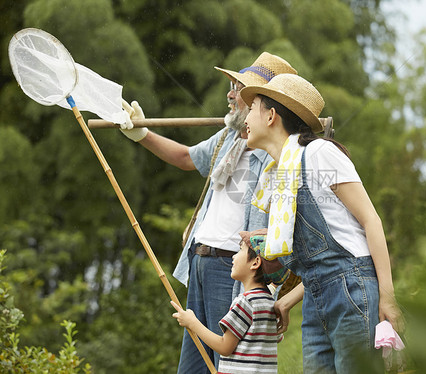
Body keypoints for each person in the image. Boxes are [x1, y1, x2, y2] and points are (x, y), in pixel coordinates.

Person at [119, 53, 297, 373]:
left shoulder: (279, 156)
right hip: (200, 260)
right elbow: (188, 158)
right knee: (194, 365)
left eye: (239, 89)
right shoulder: (229, 138)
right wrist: (141, 134)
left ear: (263, 106)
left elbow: (284, 226)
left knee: (228, 362)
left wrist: (269, 287)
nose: (230, 95)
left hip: (231, 267)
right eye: (232, 87)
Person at [240, 74, 404, 373]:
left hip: (352, 290)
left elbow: (370, 221)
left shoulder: (319, 153)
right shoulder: (279, 176)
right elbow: (317, 267)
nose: (245, 116)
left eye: (251, 108)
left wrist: (388, 298)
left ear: (272, 115)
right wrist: (288, 299)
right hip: (317, 298)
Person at [171, 229, 283, 374]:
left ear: (255, 262)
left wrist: (192, 323)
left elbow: (225, 347)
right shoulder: (269, 302)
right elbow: (277, 337)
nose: (234, 256)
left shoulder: (245, 302)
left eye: (240, 250)